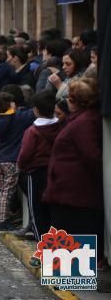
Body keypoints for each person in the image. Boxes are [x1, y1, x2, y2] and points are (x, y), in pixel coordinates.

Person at [43, 78, 105, 266]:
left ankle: (69, 284)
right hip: (70, 192)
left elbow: (92, 156)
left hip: (74, 194)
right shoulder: (82, 120)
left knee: (68, 262)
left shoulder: (83, 122)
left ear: (74, 101)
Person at [16, 90, 62, 246]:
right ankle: (54, 245)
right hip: (56, 171)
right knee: (52, 210)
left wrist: (21, 167)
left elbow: (25, 154)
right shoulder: (61, 126)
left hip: (36, 173)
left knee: (36, 211)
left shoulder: (33, 131)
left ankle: (42, 246)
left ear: (35, 110)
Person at [0, 91, 35, 232]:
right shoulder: (17, 118)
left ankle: (3, 217)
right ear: (9, 105)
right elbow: (32, 114)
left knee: (3, 190)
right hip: (13, 159)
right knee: (7, 192)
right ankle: (3, 222)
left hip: (1, 159)